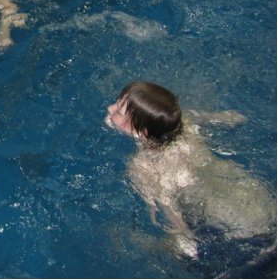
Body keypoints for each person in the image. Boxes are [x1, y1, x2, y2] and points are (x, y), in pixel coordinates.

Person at [105, 81, 276, 259]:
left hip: (233, 222)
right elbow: (228, 117)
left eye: (118, 111)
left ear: (141, 133)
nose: (110, 108)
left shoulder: (143, 166)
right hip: (256, 195)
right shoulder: (183, 123)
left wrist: (183, 235)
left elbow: (166, 208)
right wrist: (232, 117)